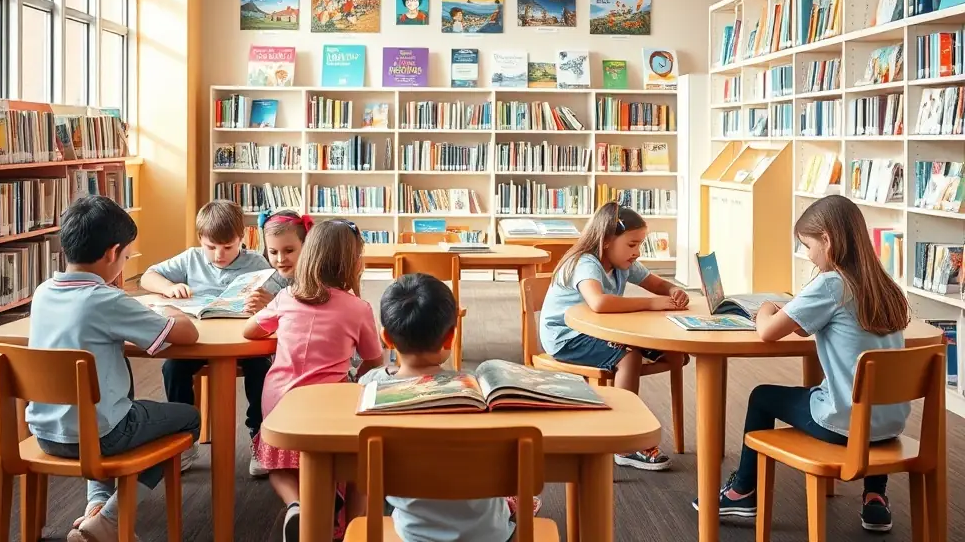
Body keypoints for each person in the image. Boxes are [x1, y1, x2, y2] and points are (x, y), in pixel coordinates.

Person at [693, 196, 910, 533]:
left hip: (844, 428)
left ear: (828, 240)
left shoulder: (832, 284)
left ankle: (741, 493)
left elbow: (767, 332)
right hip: (889, 426)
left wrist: (767, 306)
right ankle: (875, 497)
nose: (807, 255)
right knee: (866, 394)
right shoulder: (885, 286)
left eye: (807, 246)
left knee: (762, 396)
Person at [27, 196, 201, 542]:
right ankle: (111, 517)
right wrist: (171, 312)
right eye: (125, 257)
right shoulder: (105, 299)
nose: (123, 263)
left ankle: (95, 508)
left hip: (45, 434)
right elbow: (187, 333)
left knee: (106, 408)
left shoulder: (43, 292)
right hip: (101, 437)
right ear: (112, 253)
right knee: (188, 419)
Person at [360, 273, 532, 542]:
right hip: (490, 535)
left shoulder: (368, 388)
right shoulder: (479, 393)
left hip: (411, 534)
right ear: (451, 337)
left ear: (386, 338)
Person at [243, 219, 385, 542]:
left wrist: (282, 329)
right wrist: (353, 379)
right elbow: (375, 361)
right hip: (327, 405)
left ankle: (297, 504)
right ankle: (352, 526)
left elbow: (249, 330)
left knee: (275, 462)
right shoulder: (358, 308)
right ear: (353, 263)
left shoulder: (287, 297)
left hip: (279, 402)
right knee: (353, 461)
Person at [539, 201, 688, 470]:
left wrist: (672, 290)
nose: (637, 252)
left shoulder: (623, 263)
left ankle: (623, 418)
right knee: (629, 359)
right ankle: (624, 440)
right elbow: (599, 303)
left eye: (640, 244)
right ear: (607, 240)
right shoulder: (586, 263)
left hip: (598, 331)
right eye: (632, 245)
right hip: (567, 336)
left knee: (676, 354)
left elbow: (656, 284)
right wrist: (653, 303)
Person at [141, 199, 280, 476]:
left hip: (243, 341)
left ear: (243, 238)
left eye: (228, 247)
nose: (219, 255)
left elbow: (277, 299)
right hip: (199, 340)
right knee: (172, 368)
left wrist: (267, 301)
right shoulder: (191, 258)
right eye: (211, 247)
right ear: (200, 240)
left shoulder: (255, 262)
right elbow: (148, 276)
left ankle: (258, 435)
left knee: (261, 369)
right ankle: (183, 440)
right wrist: (170, 287)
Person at [258, 208, 314, 286]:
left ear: (305, 246)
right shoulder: (265, 281)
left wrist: (276, 299)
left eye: (289, 250)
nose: (280, 259)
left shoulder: (316, 282)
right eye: (273, 252)